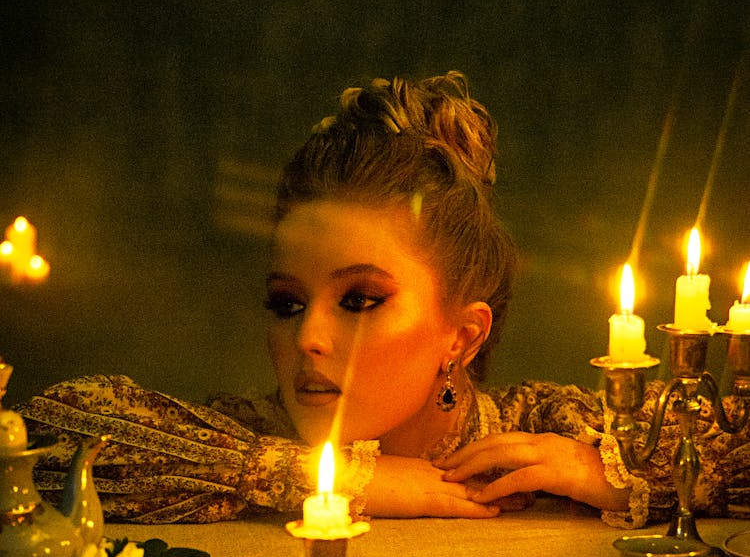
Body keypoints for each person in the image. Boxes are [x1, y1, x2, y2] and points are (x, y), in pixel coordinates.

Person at [19, 72, 750, 528]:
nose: (307, 337)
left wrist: (613, 477)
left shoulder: (539, 437)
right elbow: (45, 432)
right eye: (286, 302)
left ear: (461, 336)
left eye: (360, 299)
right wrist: (324, 476)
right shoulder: (239, 441)